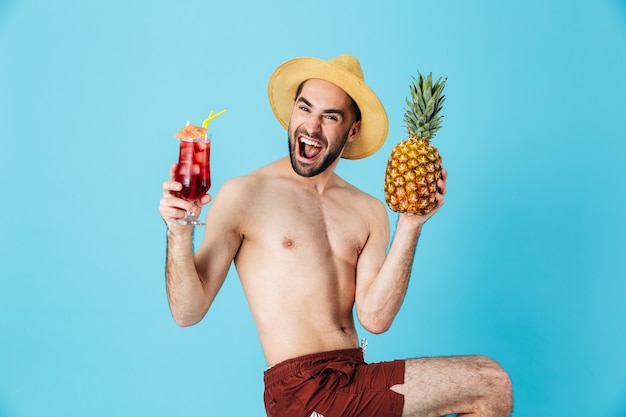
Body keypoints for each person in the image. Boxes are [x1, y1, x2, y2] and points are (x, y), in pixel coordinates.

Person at [159, 54, 512, 417]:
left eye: (330, 117)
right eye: (304, 109)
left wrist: (410, 224)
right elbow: (188, 312)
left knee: (489, 386)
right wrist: (178, 230)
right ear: (293, 112)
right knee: (489, 381)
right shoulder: (245, 194)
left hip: (354, 378)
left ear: (352, 130)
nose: (311, 126)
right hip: (304, 391)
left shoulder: (369, 210)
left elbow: (375, 319)